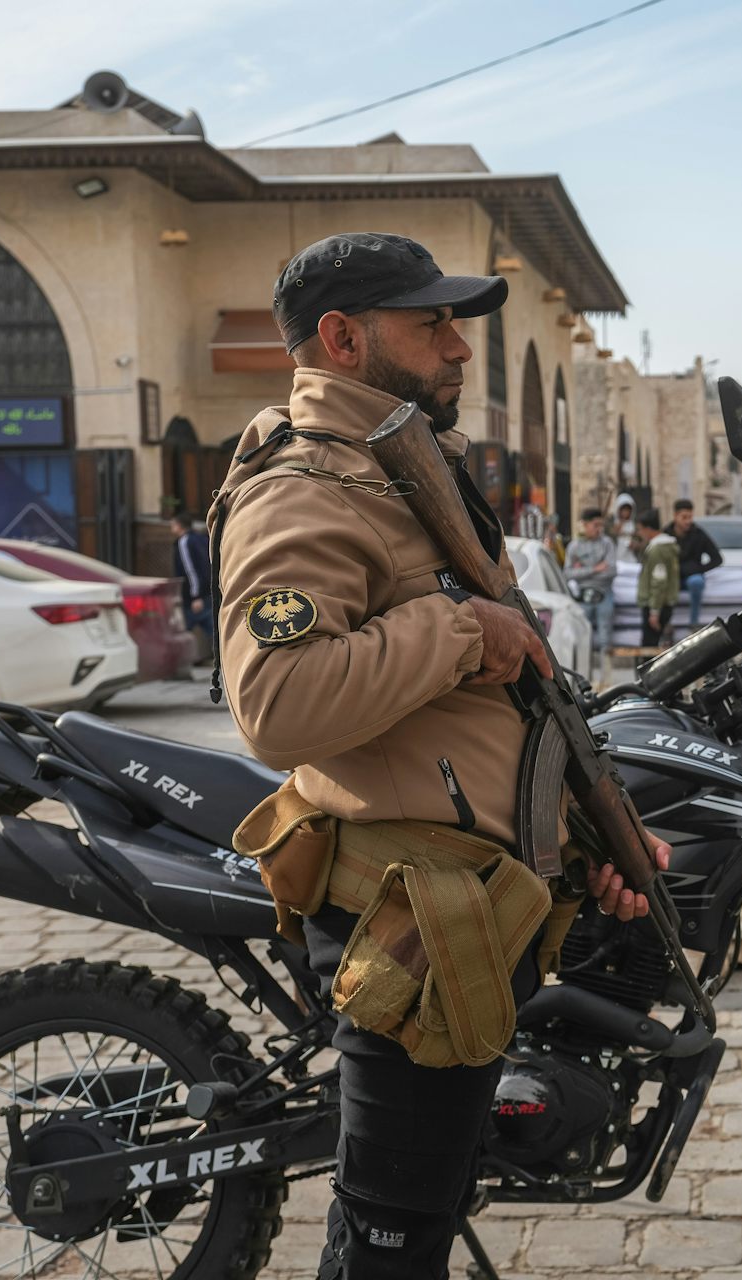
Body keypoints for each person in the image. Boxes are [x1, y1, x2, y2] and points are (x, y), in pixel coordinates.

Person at [213, 231, 667, 1279]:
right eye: (430, 324)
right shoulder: (307, 485)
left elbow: (486, 715)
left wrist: (589, 832)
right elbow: (275, 703)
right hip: (409, 920)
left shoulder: (400, 469)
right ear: (342, 336)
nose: (459, 345)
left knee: (417, 1211)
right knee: (392, 1240)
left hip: (471, 903)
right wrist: (465, 630)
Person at [565, 507, 618, 661]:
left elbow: (612, 571)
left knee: (605, 636)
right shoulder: (574, 547)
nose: (599, 529)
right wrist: (595, 569)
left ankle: (605, 675)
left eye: (601, 525)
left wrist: (582, 570)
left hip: (604, 592)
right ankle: (583, 669)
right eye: (595, 525)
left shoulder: (607, 544)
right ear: (585, 525)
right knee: (582, 634)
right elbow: (568, 573)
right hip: (583, 594)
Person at [665, 499, 723, 633]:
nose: (687, 521)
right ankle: (666, 624)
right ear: (675, 516)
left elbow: (717, 559)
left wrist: (698, 570)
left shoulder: (698, 534)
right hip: (672, 578)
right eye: (684, 517)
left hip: (691, 577)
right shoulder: (666, 534)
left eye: (690, 517)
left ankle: (694, 623)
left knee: (696, 581)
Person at [169, 510, 215, 659]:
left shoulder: (185, 542)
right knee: (213, 629)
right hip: (208, 590)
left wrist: (196, 595)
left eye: (173, 525)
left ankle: (178, 664)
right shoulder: (201, 538)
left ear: (179, 526)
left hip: (195, 595)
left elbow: (191, 570)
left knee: (183, 628)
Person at [637, 509, 680, 648]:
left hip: (656, 605)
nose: (640, 534)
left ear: (648, 529)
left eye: (641, 529)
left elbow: (659, 581)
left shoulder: (657, 550)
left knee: (649, 647)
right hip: (663, 603)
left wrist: (654, 612)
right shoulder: (666, 547)